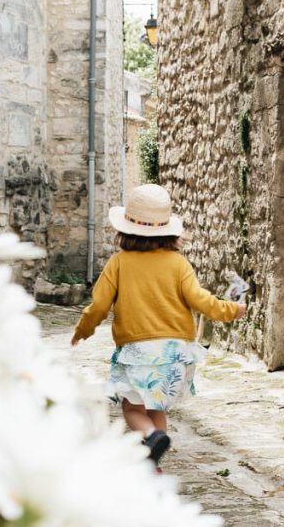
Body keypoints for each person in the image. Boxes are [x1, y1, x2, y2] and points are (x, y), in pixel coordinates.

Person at [71, 184, 246, 466]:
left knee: (133, 409)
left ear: (125, 229)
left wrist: (84, 329)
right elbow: (201, 300)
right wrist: (231, 310)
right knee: (156, 407)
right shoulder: (178, 263)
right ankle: (154, 463)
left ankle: (151, 435)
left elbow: (100, 306)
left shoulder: (118, 263)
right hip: (174, 353)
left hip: (138, 352)